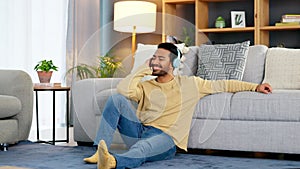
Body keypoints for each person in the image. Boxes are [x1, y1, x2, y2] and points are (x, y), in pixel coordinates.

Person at [83, 42, 272, 169]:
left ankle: (113, 162)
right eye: (154, 58)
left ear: (173, 63)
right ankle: (99, 151)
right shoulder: (146, 85)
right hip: (139, 131)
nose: (155, 62)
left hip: (166, 138)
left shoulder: (191, 84)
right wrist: (141, 71)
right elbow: (123, 91)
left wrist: (255, 86)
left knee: (142, 149)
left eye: (161, 59)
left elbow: (225, 84)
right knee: (116, 99)